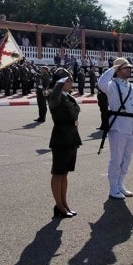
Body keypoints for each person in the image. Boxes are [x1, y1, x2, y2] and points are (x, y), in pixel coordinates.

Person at [98, 57, 133, 199]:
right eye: (125, 68)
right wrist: (114, 67)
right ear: (118, 70)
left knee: (127, 158)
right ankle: (113, 188)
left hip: (132, 125)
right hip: (118, 125)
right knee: (116, 159)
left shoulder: (132, 86)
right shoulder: (111, 85)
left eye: (129, 68)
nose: (129, 70)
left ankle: (121, 184)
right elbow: (101, 83)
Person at [48, 69, 82, 218]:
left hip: (72, 138)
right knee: (58, 173)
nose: (71, 82)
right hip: (61, 139)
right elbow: (54, 97)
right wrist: (59, 82)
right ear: (60, 82)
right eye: (67, 80)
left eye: (71, 79)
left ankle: (64, 203)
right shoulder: (55, 98)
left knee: (65, 173)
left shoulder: (69, 98)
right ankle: (59, 206)